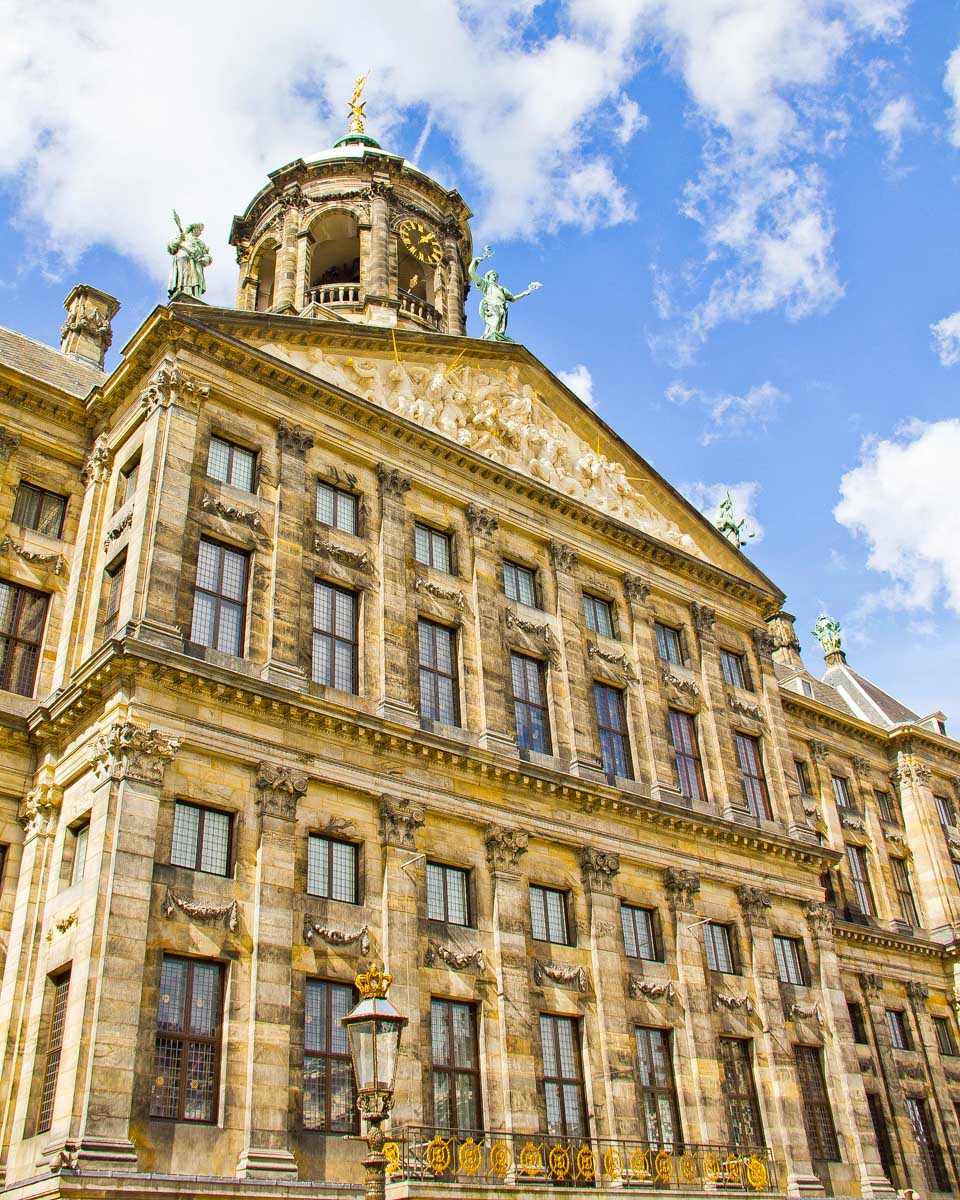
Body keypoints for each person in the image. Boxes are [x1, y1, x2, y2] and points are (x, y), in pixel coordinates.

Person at [468, 245, 541, 341]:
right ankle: (490, 339)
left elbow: (513, 299)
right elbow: (471, 272)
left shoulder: (501, 289)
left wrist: (526, 292)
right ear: (488, 276)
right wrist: (477, 260)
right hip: (492, 306)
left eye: (496, 275)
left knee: (499, 328)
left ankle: (495, 338)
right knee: (494, 323)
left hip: (502, 307)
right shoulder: (485, 284)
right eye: (493, 274)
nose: (495, 276)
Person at [167, 215, 212, 298]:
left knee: (195, 280)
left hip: (196, 262)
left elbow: (207, 255)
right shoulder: (183, 237)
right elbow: (171, 248)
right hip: (183, 259)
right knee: (184, 277)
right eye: (199, 230)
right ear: (194, 229)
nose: (200, 232)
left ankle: (194, 295)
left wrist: (205, 259)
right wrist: (179, 240)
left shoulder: (201, 243)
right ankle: (182, 292)